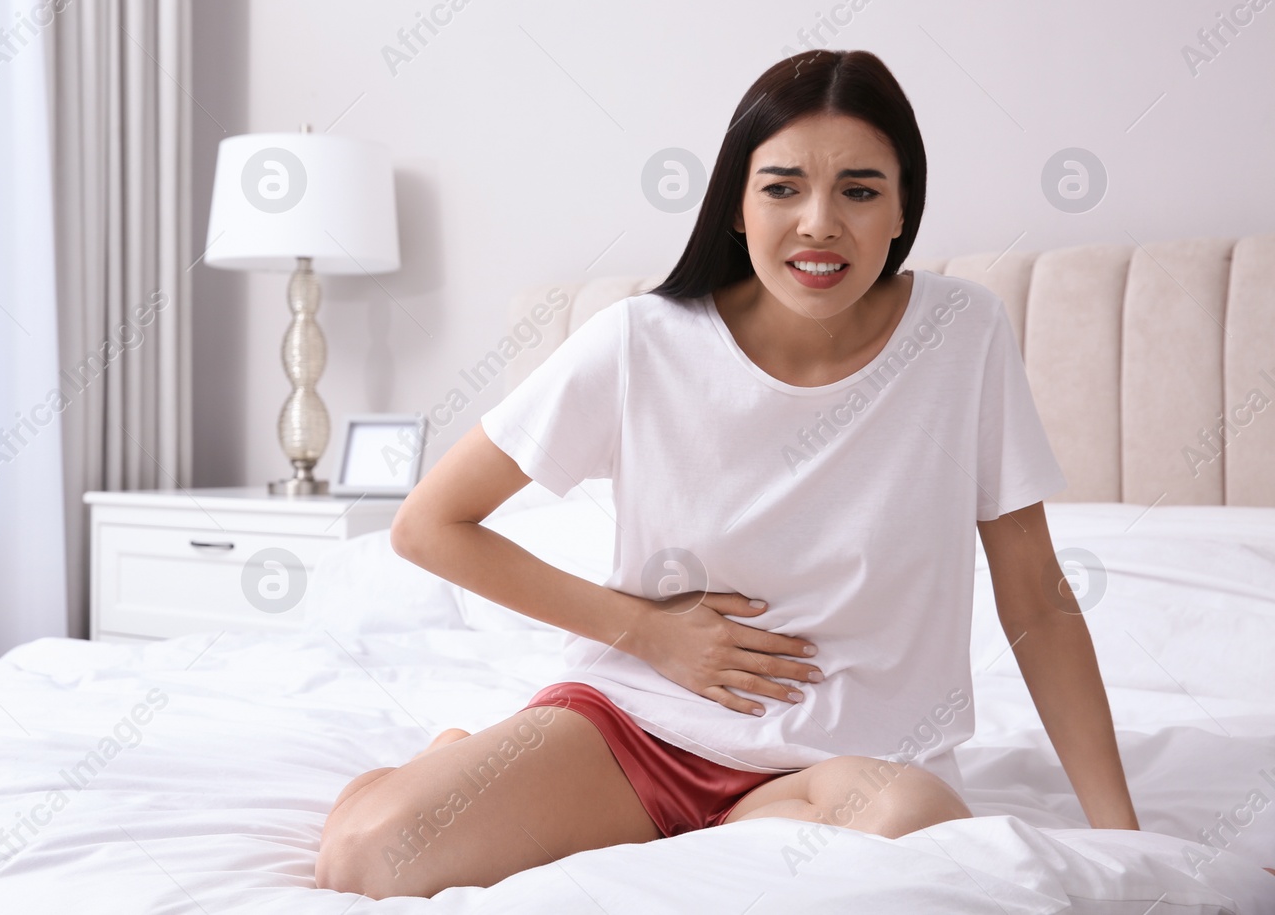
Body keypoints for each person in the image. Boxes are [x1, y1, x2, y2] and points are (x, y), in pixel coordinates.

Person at [314, 49, 1140, 901]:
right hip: (636, 726)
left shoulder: (962, 335)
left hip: (846, 760)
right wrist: (649, 632)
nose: (820, 222)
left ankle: (723, 832)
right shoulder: (642, 340)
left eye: (859, 190)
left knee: (913, 825)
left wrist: (1123, 841)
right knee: (367, 856)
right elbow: (428, 525)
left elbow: (1036, 596)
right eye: (782, 187)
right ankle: (455, 755)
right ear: (738, 209)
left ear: (902, 209)